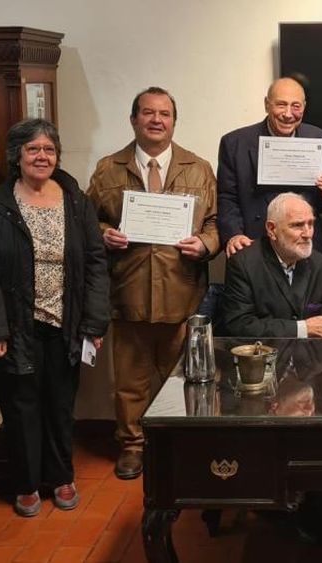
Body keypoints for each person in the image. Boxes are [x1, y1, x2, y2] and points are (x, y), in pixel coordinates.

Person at [0, 119, 109, 517]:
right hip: (16, 326)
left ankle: (61, 477)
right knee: (21, 406)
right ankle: (27, 483)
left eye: (49, 149)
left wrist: (94, 324)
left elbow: (95, 264)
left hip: (66, 323)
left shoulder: (75, 201)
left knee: (60, 404)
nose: (42, 156)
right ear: (17, 156)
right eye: (33, 150)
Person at [86, 86, 220, 481]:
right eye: (148, 113)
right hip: (129, 293)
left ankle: (183, 443)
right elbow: (87, 222)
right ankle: (132, 445)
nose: (156, 120)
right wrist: (104, 234)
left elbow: (214, 223)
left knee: (186, 379)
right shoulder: (109, 169)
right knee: (130, 382)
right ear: (134, 119)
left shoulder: (198, 168)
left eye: (164, 113)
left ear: (174, 121)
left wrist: (206, 243)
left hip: (182, 293)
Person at [217, 77, 322, 256]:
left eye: (296, 106)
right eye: (281, 105)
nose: (288, 114)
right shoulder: (235, 143)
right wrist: (234, 234)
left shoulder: (320, 139)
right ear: (267, 105)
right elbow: (227, 198)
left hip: (306, 247)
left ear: (304, 106)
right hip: (254, 243)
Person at [220, 192, 322, 338]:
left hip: (308, 358)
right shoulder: (243, 263)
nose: (307, 234)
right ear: (272, 229)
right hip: (261, 356)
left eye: (310, 224)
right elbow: (239, 325)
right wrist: (302, 328)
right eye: (298, 225)